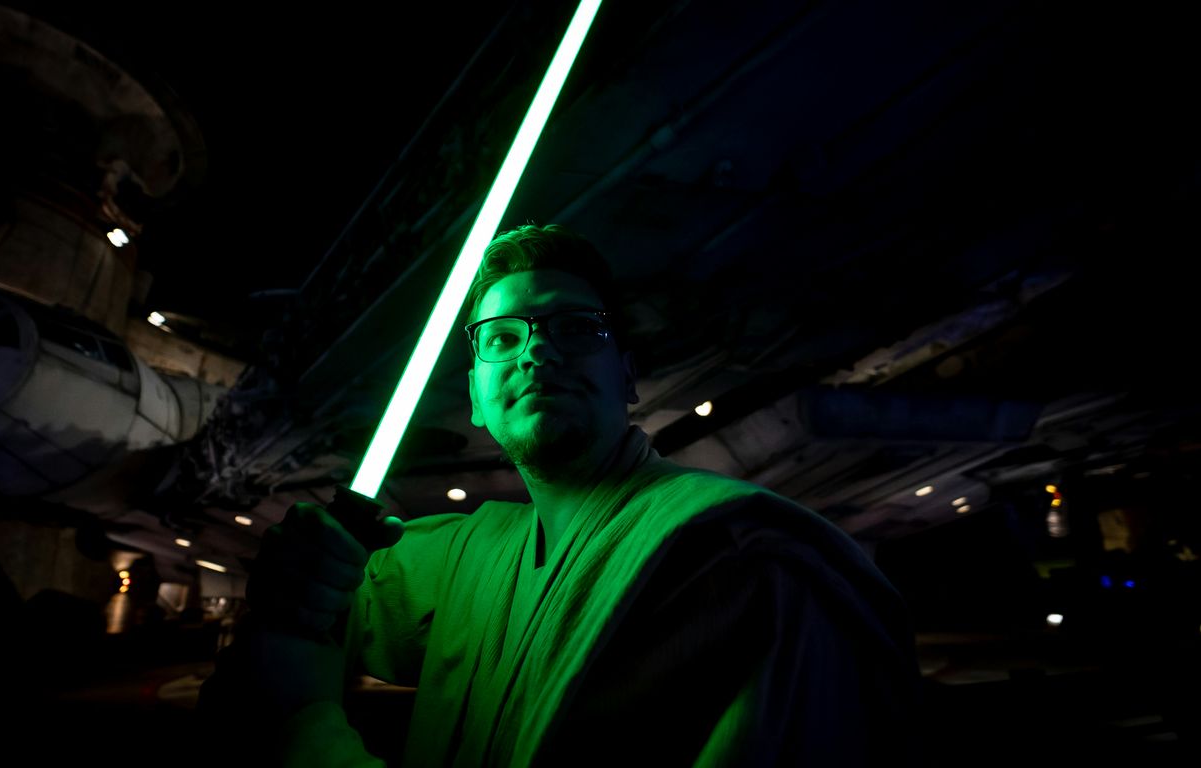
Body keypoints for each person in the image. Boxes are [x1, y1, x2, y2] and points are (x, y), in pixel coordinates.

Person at [199, 224, 922, 766]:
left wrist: (298, 725)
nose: (537, 349)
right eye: (503, 337)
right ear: (478, 396)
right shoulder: (459, 558)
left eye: (575, 328)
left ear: (628, 377)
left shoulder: (750, 563)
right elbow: (308, 614)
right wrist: (294, 581)